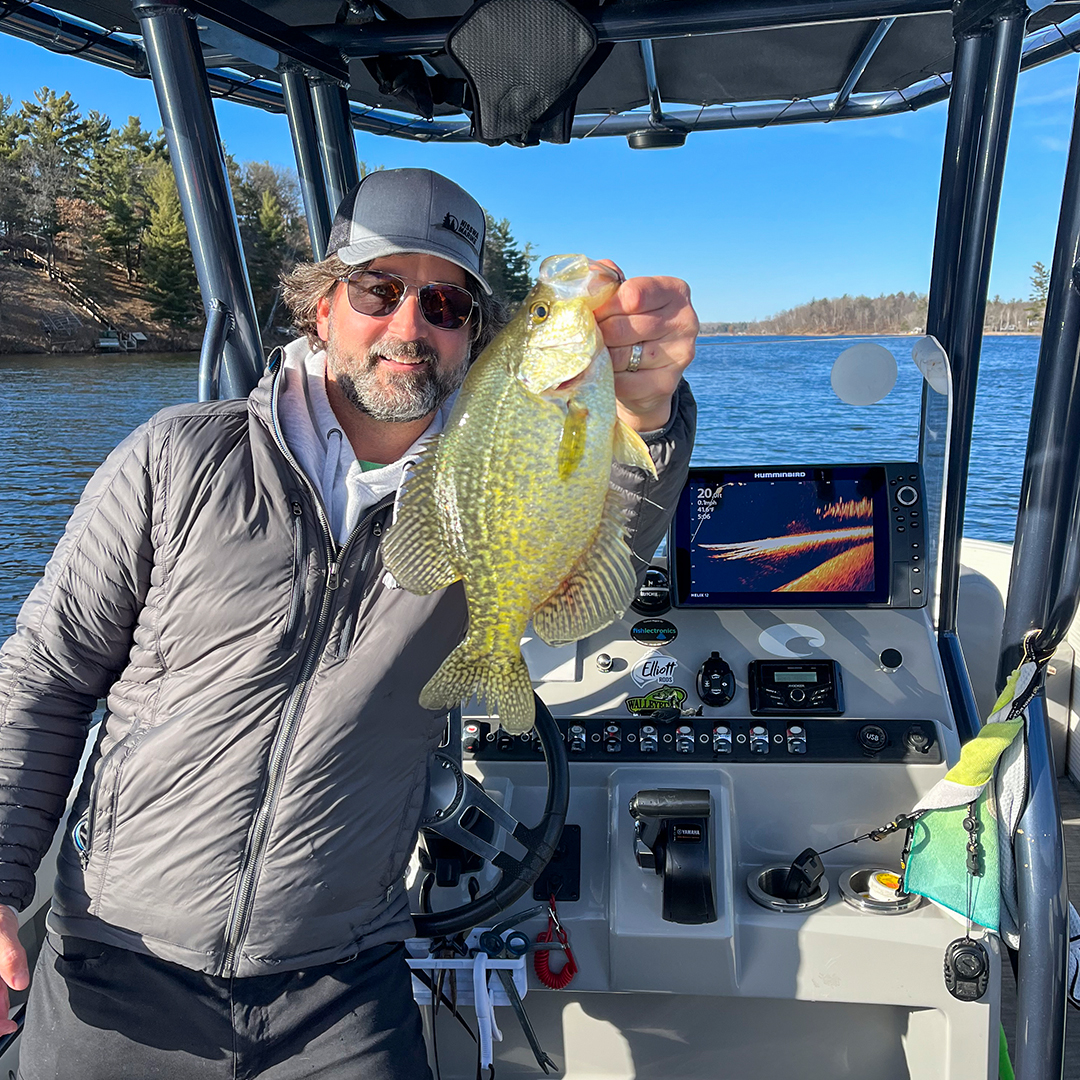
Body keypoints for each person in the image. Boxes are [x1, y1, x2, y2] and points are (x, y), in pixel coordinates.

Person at [0, 167, 697, 1078]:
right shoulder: (176, 457)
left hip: (341, 987)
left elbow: (606, 526)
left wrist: (651, 410)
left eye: (446, 303)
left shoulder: (480, 484)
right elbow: (46, 678)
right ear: (321, 306)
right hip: (115, 966)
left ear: (471, 339)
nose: (411, 325)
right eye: (379, 290)